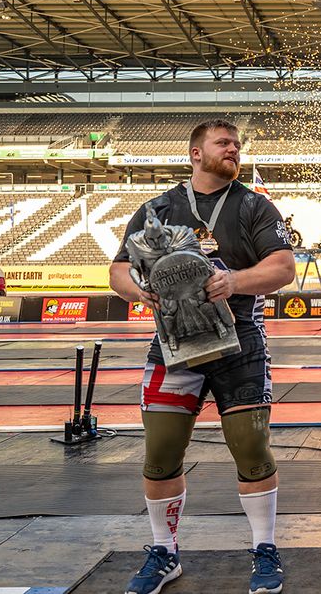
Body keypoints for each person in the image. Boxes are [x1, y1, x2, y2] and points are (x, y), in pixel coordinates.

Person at [110, 120, 296, 594]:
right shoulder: (158, 207)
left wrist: (234, 281)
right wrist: (140, 292)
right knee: (161, 452)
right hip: (174, 344)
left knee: (252, 450)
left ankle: (264, 547)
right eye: (224, 143)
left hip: (240, 340)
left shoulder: (254, 204)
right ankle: (164, 551)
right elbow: (117, 271)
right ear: (196, 153)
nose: (234, 150)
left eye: (237, 144)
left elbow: (284, 267)